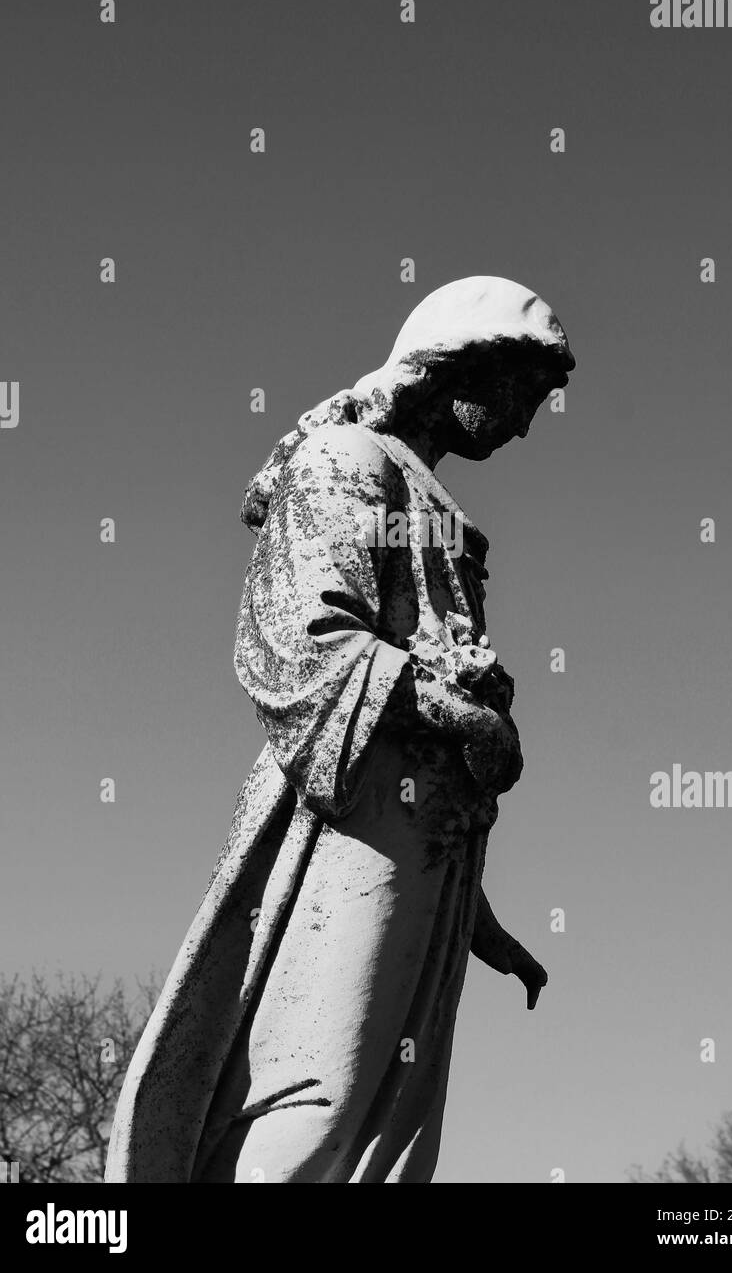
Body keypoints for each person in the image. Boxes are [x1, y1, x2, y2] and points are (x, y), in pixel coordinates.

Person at [105, 275, 575, 1184]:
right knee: (320, 1089)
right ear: (462, 368)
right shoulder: (345, 458)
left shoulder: (430, 498)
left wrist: (474, 917)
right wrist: (461, 710)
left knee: (393, 1116)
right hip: (356, 801)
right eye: (524, 393)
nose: (524, 424)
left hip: (426, 842)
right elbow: (302, 640)